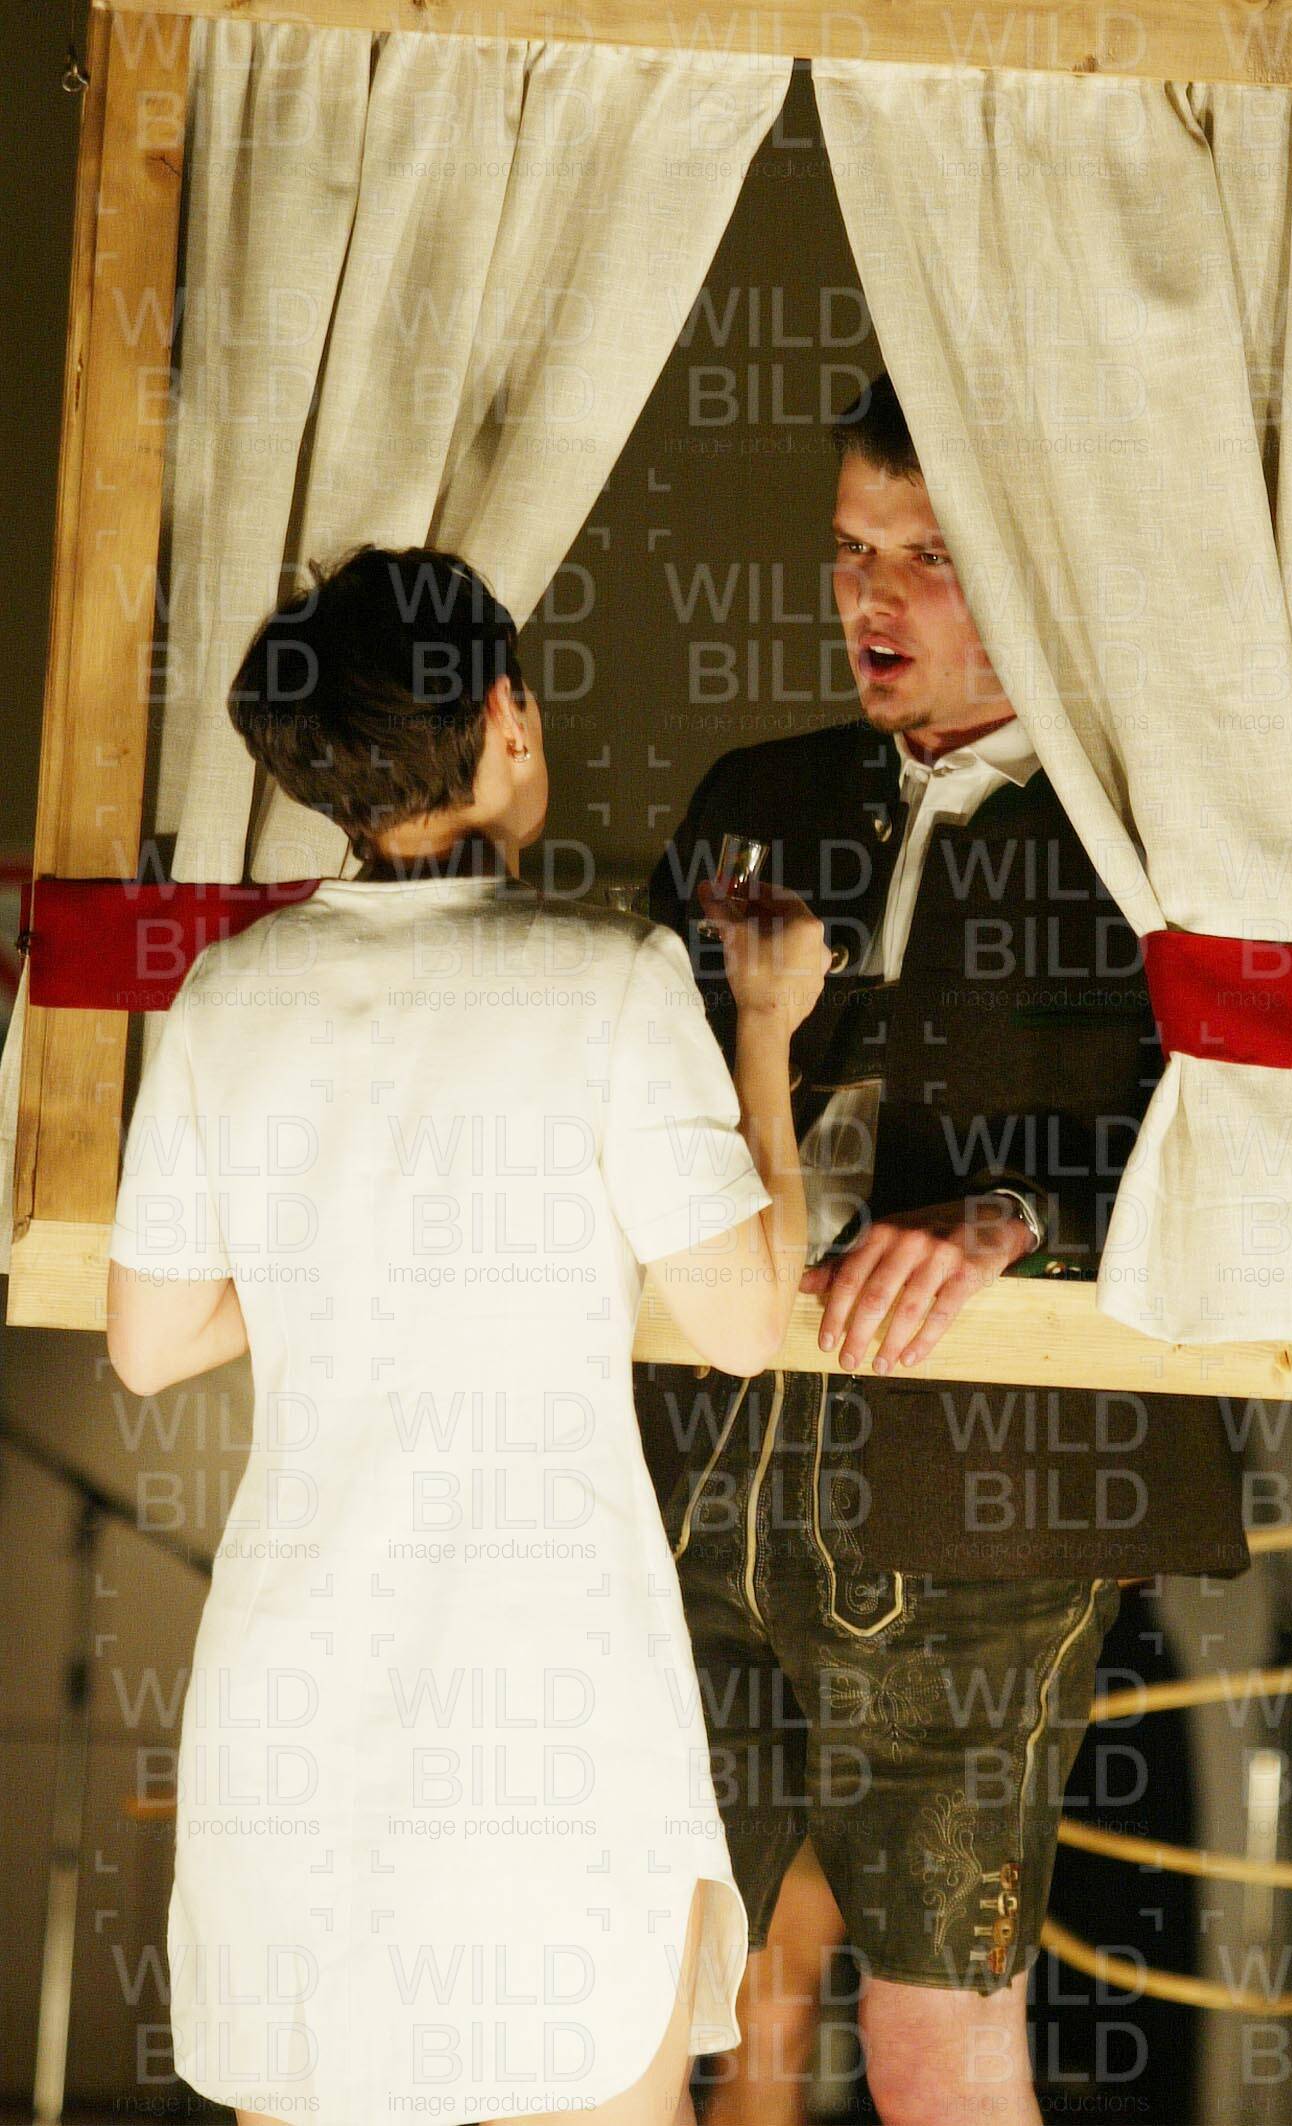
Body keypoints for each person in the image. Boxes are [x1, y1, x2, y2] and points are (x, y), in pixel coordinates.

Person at [104, 545, 834, 2126]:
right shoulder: (611, 975)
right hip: (548, 1679)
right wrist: (767, 1030)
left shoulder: (228, 994)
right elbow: (743, 1318)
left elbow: (149, 1342)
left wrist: (344, 1244)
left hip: (303, 1677)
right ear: (505, 713)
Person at [634, 375, 1251, 2126]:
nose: (871, 596)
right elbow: (619, 1087)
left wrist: (1025, 1215)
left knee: (935, 2041)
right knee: (634, 1995)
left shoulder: (1158, 839)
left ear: (1041, 565)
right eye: (851, 550)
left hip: (982, 1501)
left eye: (929, 556)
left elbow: (1259, 1142)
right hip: (699, 1472)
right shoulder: (757, 793)